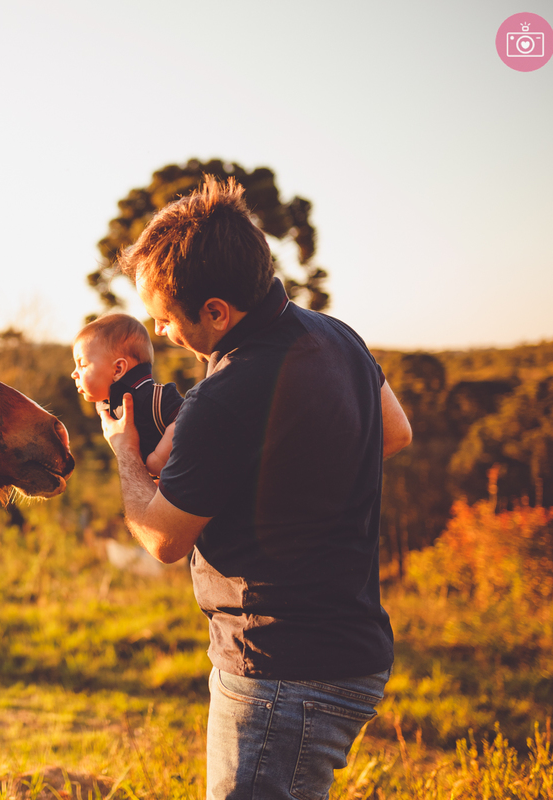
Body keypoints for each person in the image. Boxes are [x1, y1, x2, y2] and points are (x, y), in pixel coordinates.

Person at [98, 176, 412, 800]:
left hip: (278, 671)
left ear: (217, 310)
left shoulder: (224, 396)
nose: (160, 333)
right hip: (353, 649)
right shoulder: (336, 335)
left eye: (164, 319)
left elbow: (162, 539)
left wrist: (126, 457)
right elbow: (395, 431)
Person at [71, 313, 184, 474]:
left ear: (118, 369)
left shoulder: (155, 396)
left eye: (82, 364)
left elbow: (188, 420)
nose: (74, 374)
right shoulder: (106, 407)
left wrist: (157, 459)